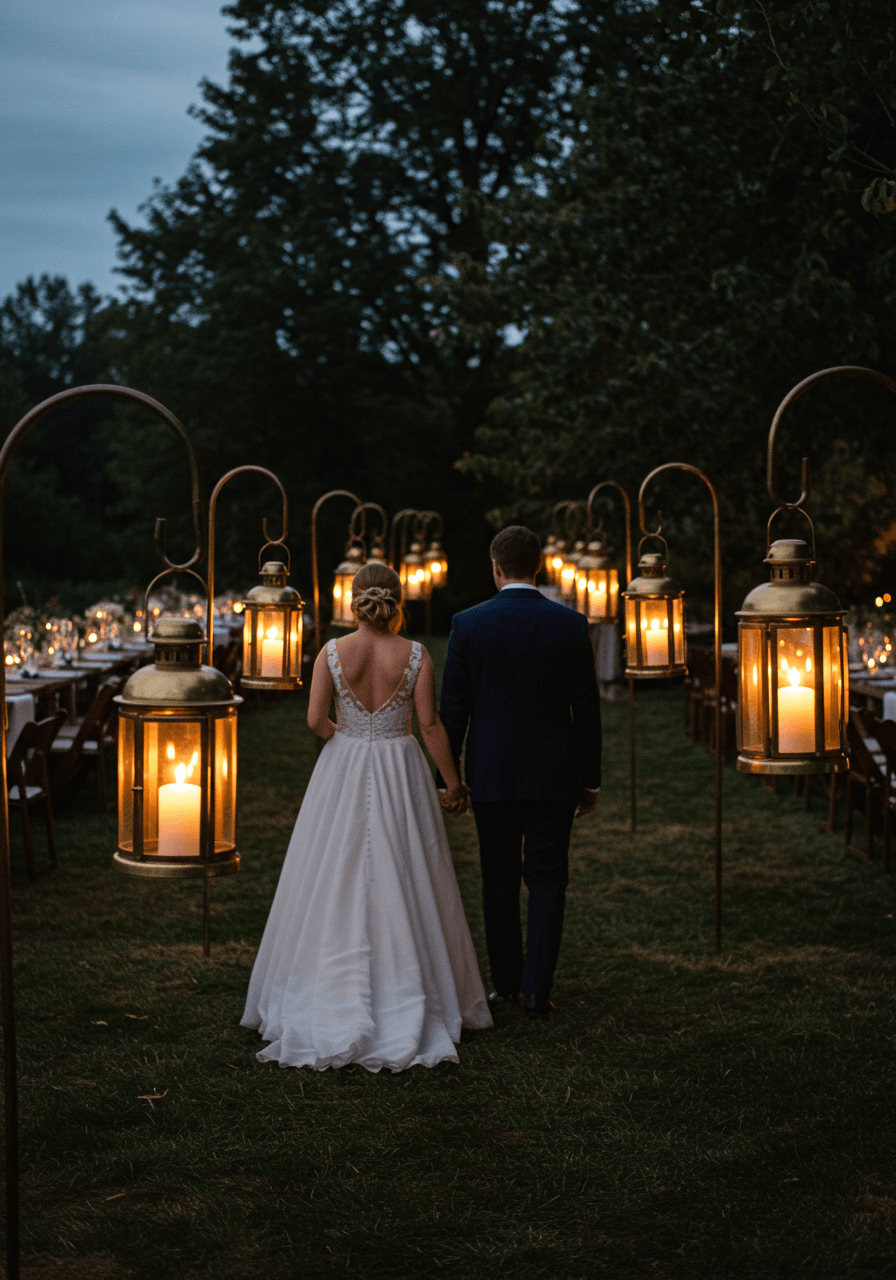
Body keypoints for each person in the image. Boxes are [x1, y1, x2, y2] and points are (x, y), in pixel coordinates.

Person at [241, 561, 492, 1071]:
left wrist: (349, 742)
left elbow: (314, 719)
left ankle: (325, 986)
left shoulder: (331, 653)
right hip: (401, 765)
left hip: (345, 762)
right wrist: (452, 781)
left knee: (331, 871)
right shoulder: (416, 654)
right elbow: (428, 723)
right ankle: (411, 985)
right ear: (396, 600)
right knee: (409, 869)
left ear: (354, 600)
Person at [438, 525, 602, 1019]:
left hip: (491, 774)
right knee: (549, 880)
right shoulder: (571, 625)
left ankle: (506, 984)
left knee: (499, 879)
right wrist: (590, 779)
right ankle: (536, 989)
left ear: (495, 567)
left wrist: (448, 780)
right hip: (554, 775)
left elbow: (453, 710)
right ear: (541, 567)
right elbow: (587, 710)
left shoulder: (468, 624)